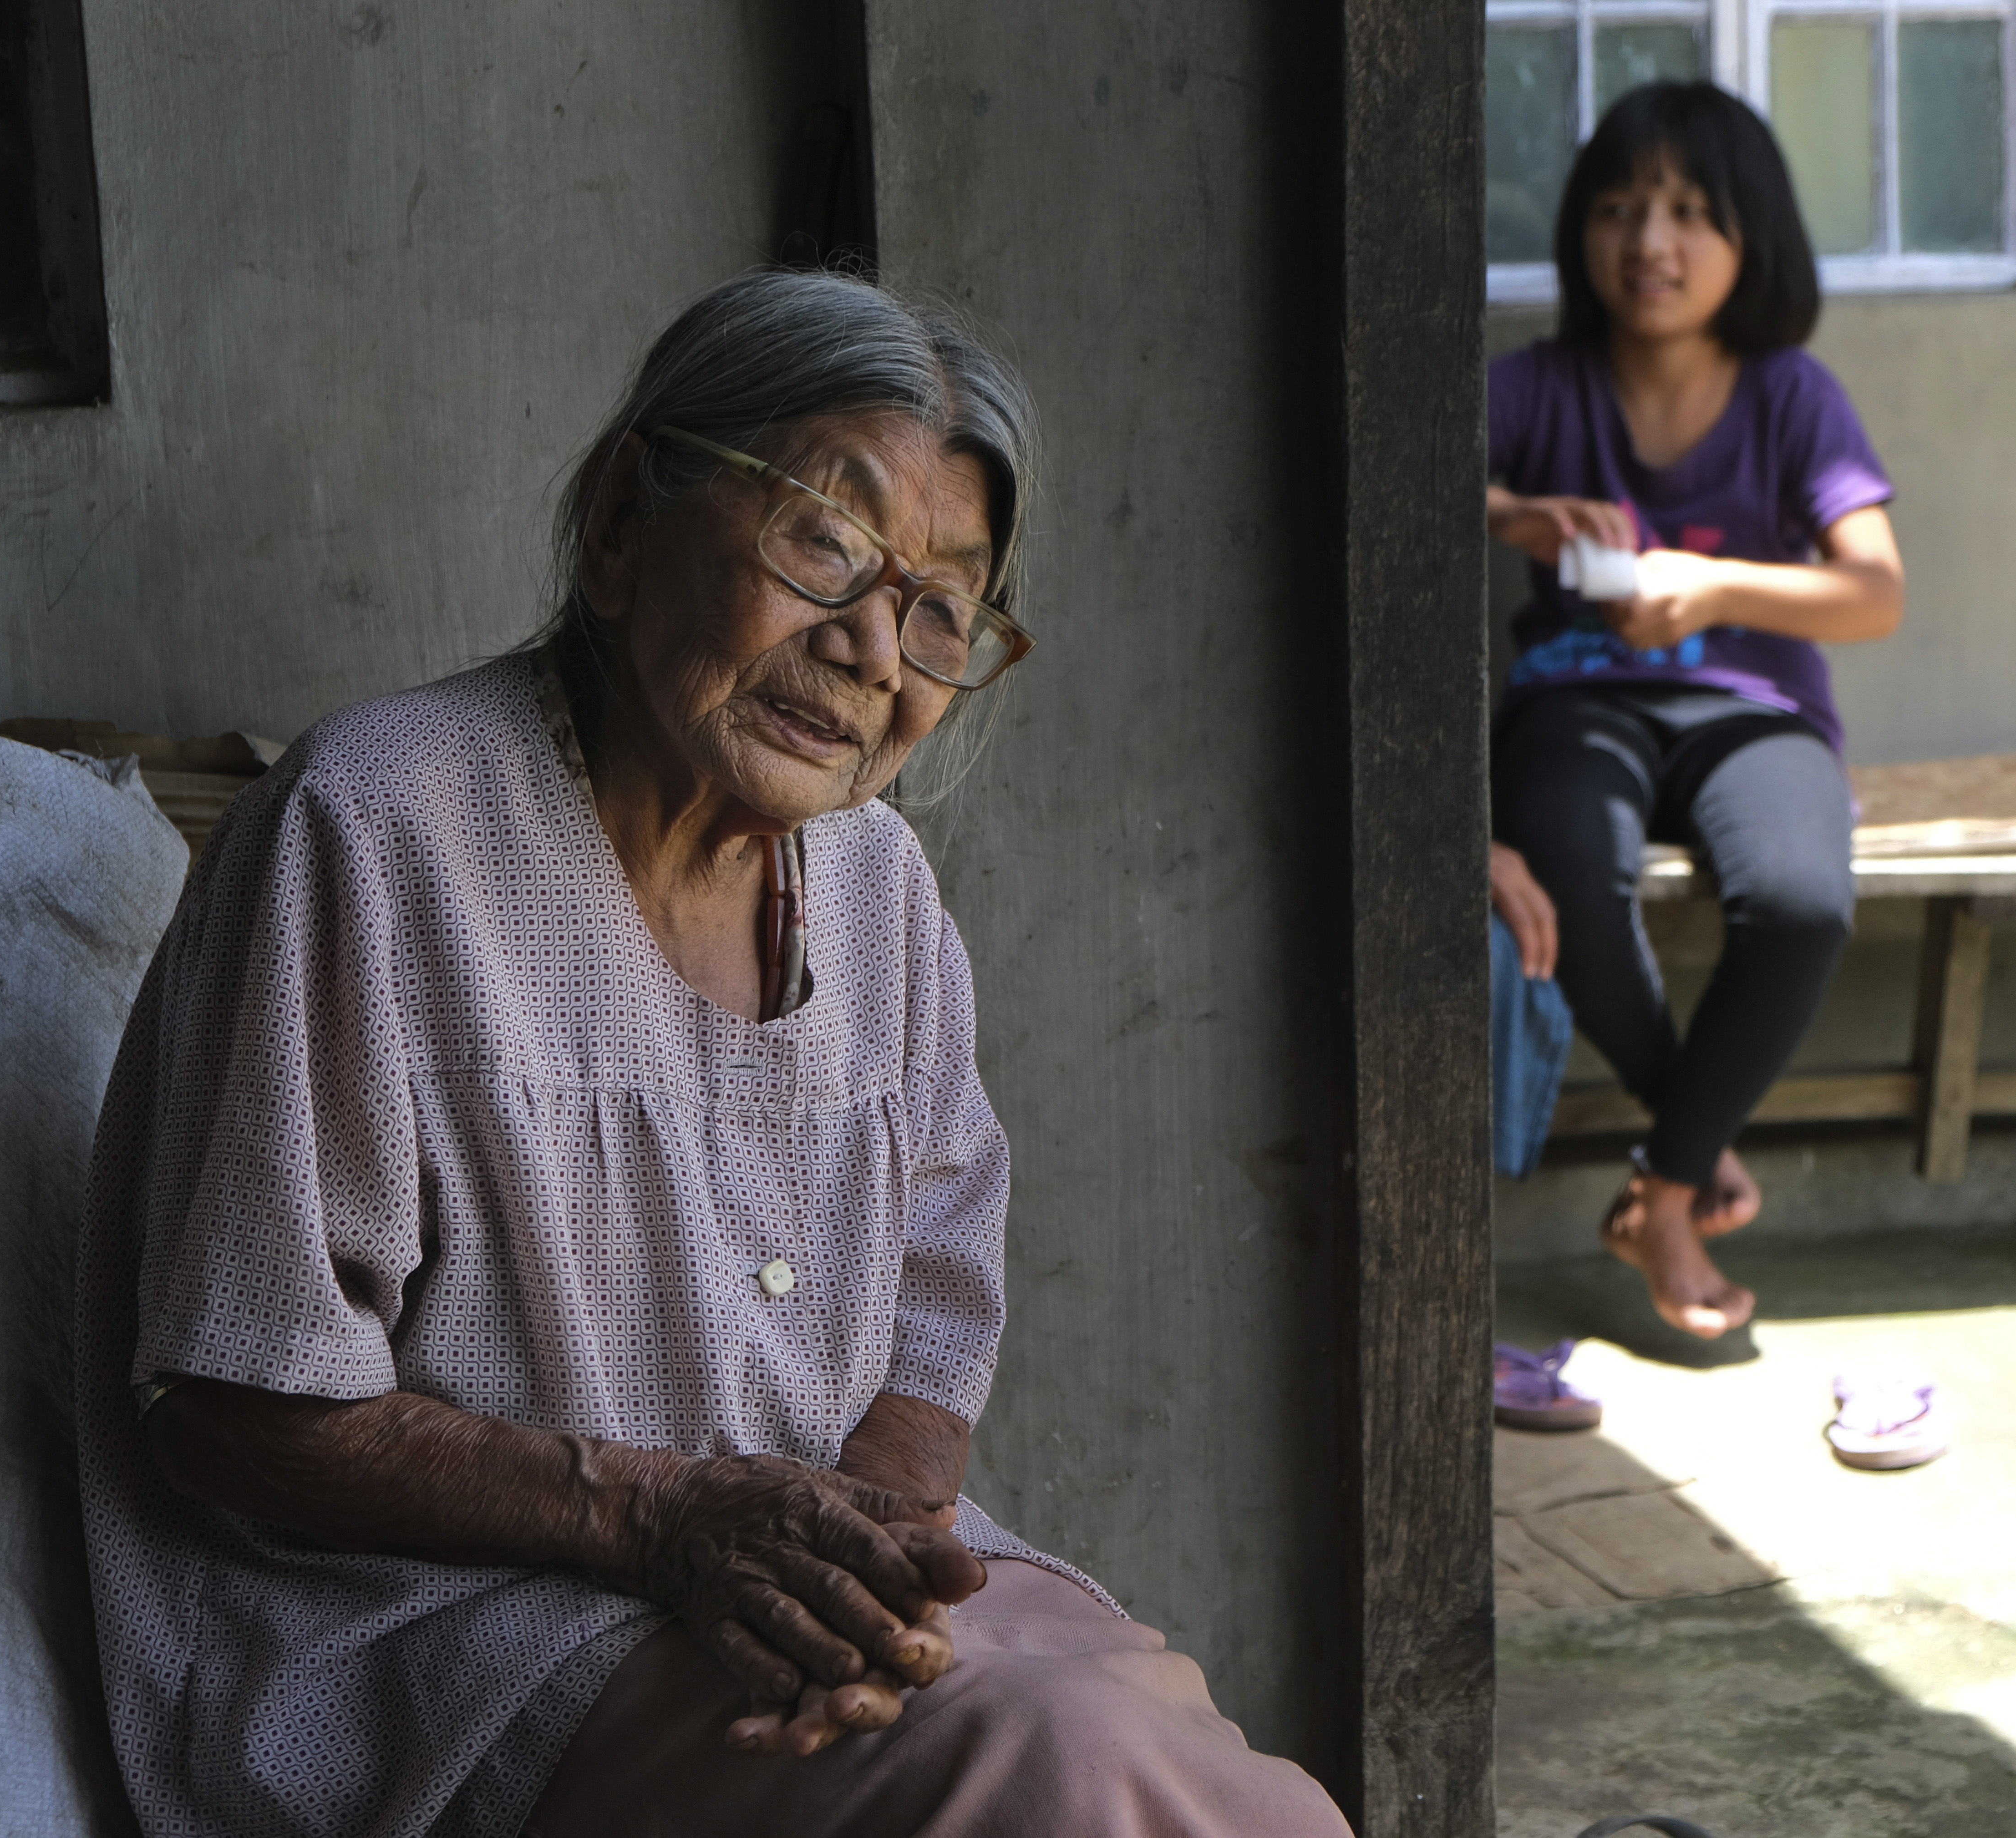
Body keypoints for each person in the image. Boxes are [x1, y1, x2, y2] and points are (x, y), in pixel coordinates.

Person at [73, 270, 1351, 1838]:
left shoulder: (877, 889)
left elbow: (937, 1314)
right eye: (826, 542)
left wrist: (854, 1590)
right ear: (621, 523)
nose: (878, 651)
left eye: (942, 608)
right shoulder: (378, 828)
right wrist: (672, 1519)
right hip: (458, 1636)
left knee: (1198, 1778)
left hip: (777, 1583)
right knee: (1057, 1771)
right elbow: (236, 1408)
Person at [1484, 82, 1904, 1339]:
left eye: (1687, 212)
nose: (1649, 243)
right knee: (1566, 876)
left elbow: (1874, 591)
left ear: (1747, 235)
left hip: (1751, 708)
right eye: (1619, 208)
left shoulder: (1792, 396)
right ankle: (1689, 1167)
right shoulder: (1536, 387)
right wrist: (1513, 516)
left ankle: (1662, 1189)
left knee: (1801, 899)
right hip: (1572, 704)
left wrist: (1711, 582)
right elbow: (1387, 477)